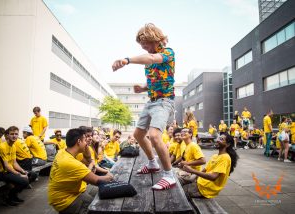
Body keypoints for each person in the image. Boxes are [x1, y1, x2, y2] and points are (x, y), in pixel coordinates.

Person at [112, 23, 176, 190]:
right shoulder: (150, 60)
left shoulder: (167, 53)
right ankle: (152, 163)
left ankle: (169, 176)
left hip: (164, 101)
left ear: (154, 39)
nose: (145, 49)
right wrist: (143, 88)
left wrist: (127, 60)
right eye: (142, 46)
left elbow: (153, 58)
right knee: (138, 134)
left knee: (154, 136)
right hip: (151, 101)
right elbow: (158, 80)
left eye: (145, 45)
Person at [48, 128, 113, 213]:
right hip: (65, 201)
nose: (87, 143)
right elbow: (97, 180)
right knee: (100, 207)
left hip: (67, 193)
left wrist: (85, 146)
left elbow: (88, 159)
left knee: (97, 194)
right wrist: (110, 176)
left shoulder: (63, 152)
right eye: (85, 140)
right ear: (79, 141)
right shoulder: (71, 163)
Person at [182, 133, 239, 199]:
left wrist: (192, 170)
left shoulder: (225, 158)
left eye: (221, 139)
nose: (217, 140)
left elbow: (213, 177)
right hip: (201, 184)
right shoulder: (215, 156)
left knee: (180, 193)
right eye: (218, 138)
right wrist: (194, 177)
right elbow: (205, 169)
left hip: (206, 189)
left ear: (227, 144)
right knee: (180, 186)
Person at [0, 126, 29, 205]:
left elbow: (14, 163)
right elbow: (6, 166)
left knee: (30, 175)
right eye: (12, 134)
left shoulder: (13, 146)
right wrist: (20, 174)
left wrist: (23, 171)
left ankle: (13, 196)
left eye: (16, 134)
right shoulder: (2, 147)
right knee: (24, 181)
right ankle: (9, 198)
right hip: (2, 172)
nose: (14, 136)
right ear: (7, 135)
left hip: (10, 170)